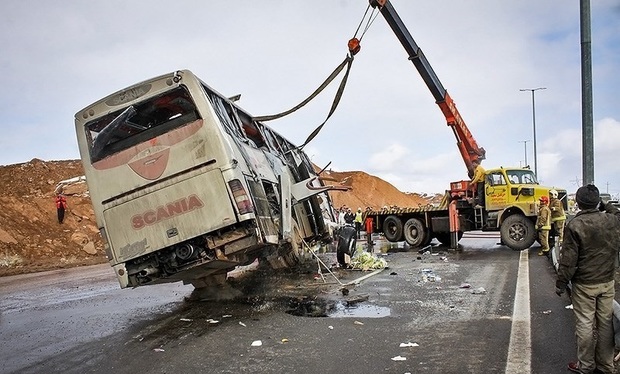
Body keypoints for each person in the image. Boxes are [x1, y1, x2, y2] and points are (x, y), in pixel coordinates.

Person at [556, 184, 620, 374]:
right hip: (607, 281)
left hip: (584, 284)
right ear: (597, 201)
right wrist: (605, 205)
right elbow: (616, 212)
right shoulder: (612, 220)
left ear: (579, 203)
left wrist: (561, 282)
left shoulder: (575, 225)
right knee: (606, 323)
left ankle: (586, 366)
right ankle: (606, 365)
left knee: (585, 324)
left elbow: (568, 260)